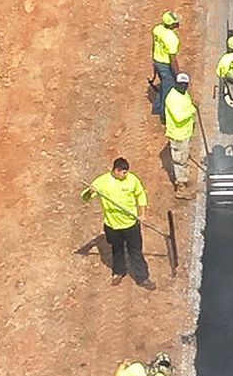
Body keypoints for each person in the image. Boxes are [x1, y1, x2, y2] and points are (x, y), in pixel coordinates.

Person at [81, 157, 150, 285]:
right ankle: (118, 272)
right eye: (124, 172)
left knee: (135, 251)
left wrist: (142, 214)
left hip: (131, 225)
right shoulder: (102, 181)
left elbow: (141, 195)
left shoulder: (132, 180)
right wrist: (90, 191)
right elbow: (85, 197)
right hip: (112, 225)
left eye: (127, 172)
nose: (126, 175)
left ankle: (142, 277)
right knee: (117, 250)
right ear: (116, 170)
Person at [163, 73, 198, 195]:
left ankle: (184, 179)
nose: (182, 86)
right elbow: (179, 117)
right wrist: (193, 109)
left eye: (184, 84)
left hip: (185, 133)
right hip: (178, 135)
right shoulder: (172, 98)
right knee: (179, 161)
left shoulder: (184, 94)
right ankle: (181, 187)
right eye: (180, 84)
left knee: (184, 158)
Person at [151, 11, 182, 118]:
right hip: (165, 65)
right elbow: (172, 59)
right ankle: (165, 115)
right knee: (169, 90)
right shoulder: (172, 39)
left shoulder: (157, 29)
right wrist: (177, 74)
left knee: (163, 85)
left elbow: (154, 45)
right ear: (172, 24)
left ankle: (157, 107)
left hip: (157, 61)